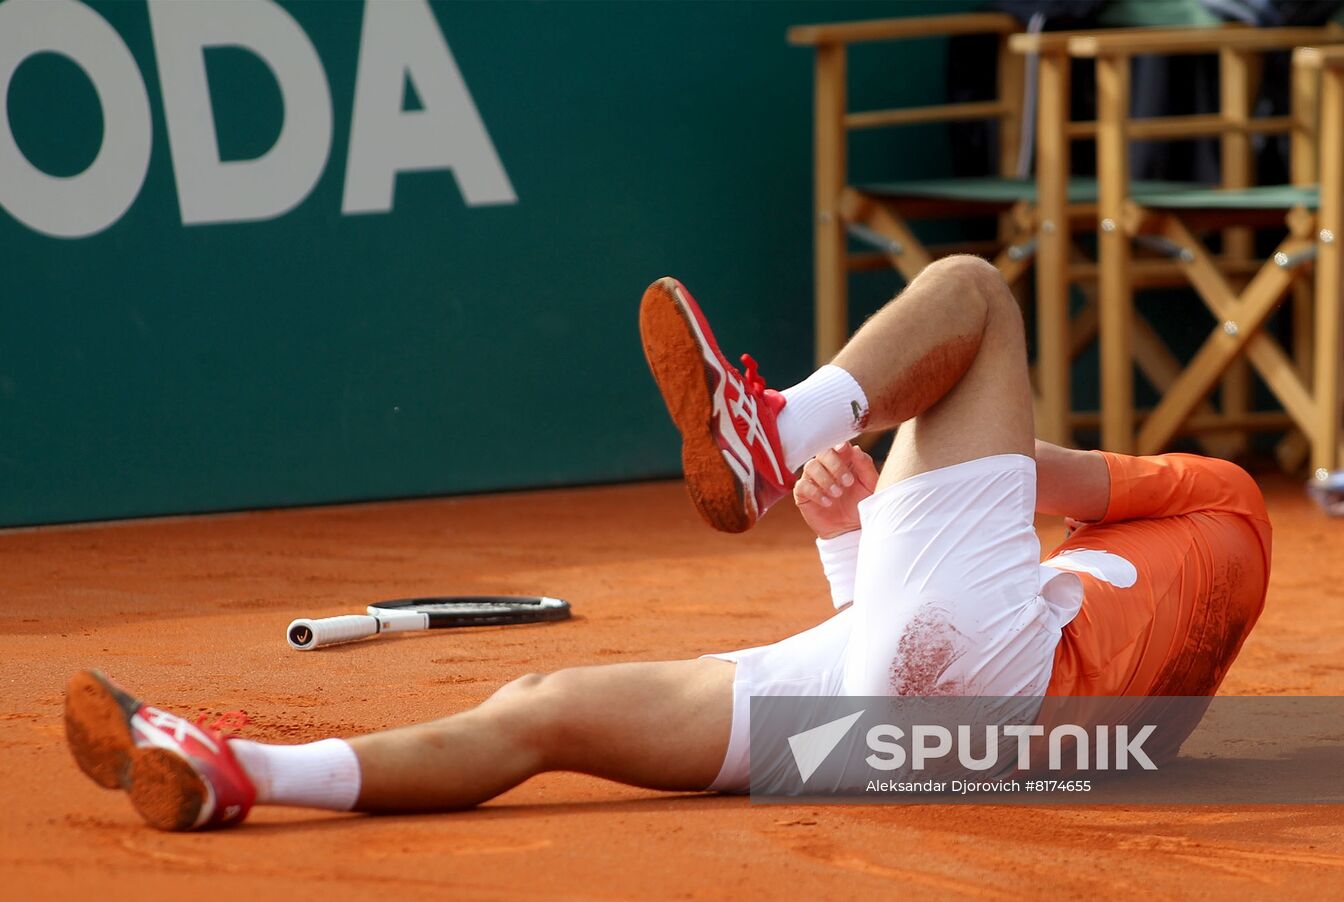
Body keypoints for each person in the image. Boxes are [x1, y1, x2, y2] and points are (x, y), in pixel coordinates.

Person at [64, 258, 1272, 830]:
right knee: (543, 704)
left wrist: (855, 445)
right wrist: (848, 535)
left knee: (971, 297)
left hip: (987, 690)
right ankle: (246, 774)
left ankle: (771, 427)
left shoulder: (1215, 497)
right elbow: (895, 655)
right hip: (922, 727)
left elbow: (1024, 480)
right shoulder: (1140, 598)